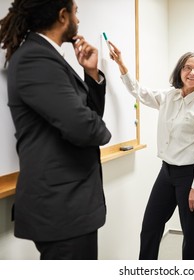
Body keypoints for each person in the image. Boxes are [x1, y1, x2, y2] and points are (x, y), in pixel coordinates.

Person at [0, 0, 111, 260]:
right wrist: (103, 132)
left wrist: (91, 72)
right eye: (76, 13)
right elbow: (83, 126)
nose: (79, 20)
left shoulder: (47, 57)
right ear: (63, 16)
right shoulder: (34, 58)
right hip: (62, 209)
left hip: (70, 207)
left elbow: (88, 114)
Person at [108, 42, 194, 260]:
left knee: (191, 234)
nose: (192, 72)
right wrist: (121, 64)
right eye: (188, 67)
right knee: (150, 226)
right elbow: (139, 92)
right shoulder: (170, 96)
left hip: (191, 176)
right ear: (180, 70)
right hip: (167, 173)